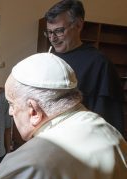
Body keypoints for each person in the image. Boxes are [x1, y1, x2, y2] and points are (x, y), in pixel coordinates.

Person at [44, 0, 124, 134]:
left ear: (79, 25)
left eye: (59, 31)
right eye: (49, 32)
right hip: (50, 139)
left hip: (80, 142)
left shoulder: (99, 63)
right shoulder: (49, 58)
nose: (53, 38)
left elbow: (108, 120)